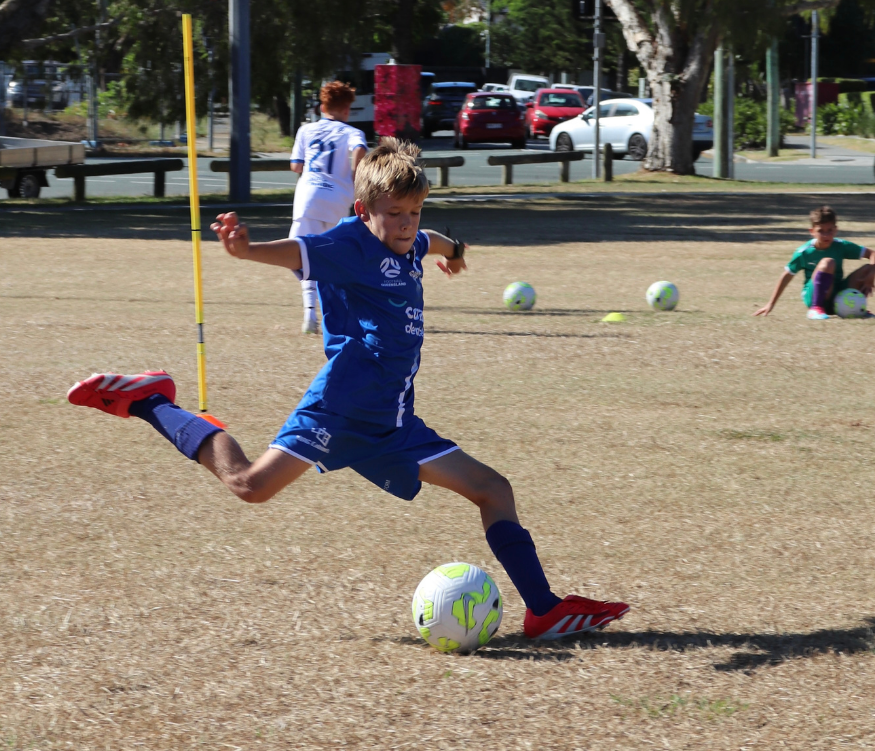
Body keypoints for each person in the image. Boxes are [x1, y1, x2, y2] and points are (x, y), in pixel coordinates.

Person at [67, 139, 628, 642]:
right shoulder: (349, 244)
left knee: (493, 489)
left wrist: (454, 251)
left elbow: (431, 240)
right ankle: (151, 400)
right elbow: (298, 252)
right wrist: (245, 250)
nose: (407, 224)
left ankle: (545, 610)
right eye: (395, 214)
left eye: (414, 212)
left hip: (393, 421)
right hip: (340, 407)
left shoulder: (409, 241)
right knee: (249, 486)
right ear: (364, 211)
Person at [290, 79, 368, 334]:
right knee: (330, 255)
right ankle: (334, 310)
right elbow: (359, 152)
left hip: (309, 195)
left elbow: (296, 166)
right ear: (346, 109)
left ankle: (311, 313)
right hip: (338, 196)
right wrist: (355, 177)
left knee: (296, 253)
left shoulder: (306, 130)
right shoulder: (353, 132)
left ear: (322, 106)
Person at [755, 204, 875, 318]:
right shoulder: (803, 252)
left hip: (836, 297)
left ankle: (857, 309)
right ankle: (816, 309)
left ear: (836, 230)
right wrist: (770, 304)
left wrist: (871, 276)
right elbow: (787, 275)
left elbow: (874, 254)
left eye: (830, 230)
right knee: (828, 262)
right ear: (812, 232)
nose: (826, 235)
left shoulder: (841, 245)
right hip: (813, 296)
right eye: (821, 231)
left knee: (868, 268)